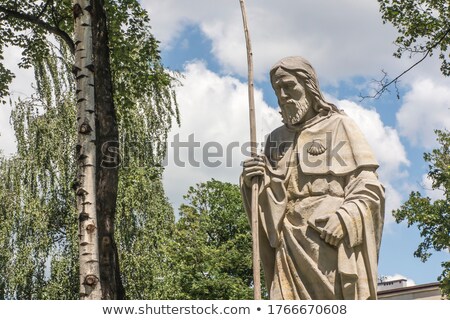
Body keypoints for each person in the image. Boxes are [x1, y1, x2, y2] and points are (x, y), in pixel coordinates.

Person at [240, 56, 385, 300]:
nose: (283, 95)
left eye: (288, 86)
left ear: (309, 86)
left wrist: (347, 217)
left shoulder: (340, 125)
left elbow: (370, 187)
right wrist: (253, 181)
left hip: (328, 244)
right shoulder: (275, 139)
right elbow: (271, 199)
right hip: (289, 246)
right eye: (277, 89)